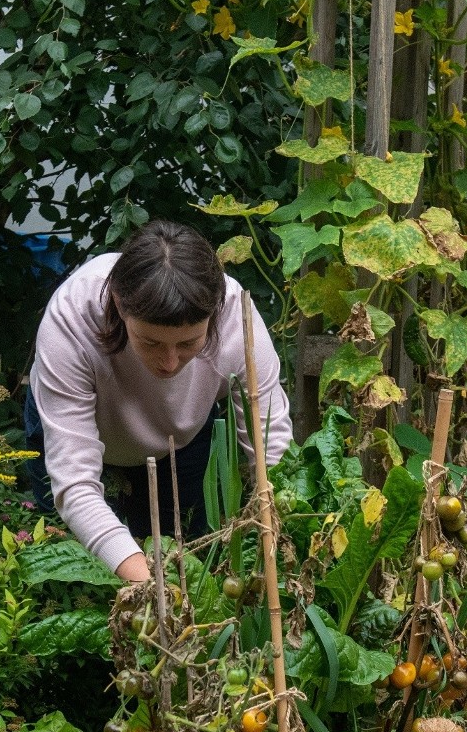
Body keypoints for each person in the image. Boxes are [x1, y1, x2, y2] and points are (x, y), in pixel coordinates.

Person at [25, 219, 293, 583]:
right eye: (151, 342)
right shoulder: (72, 319)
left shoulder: (237, 319)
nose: (169, 363)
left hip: (180, 439)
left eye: (187, 344)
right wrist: (153, 590)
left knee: (188, 555)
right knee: (73, 579)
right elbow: (74, 483)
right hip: (72, 432)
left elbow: (271, 452)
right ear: (119, 304)